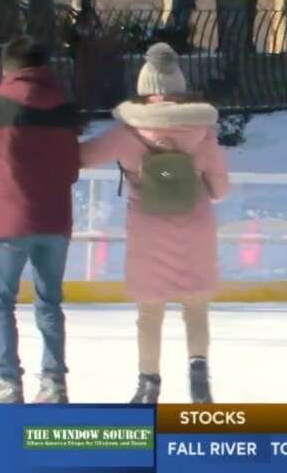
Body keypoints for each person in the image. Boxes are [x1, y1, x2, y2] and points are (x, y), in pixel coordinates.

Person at [79, 43, 229, 403]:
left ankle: (148, 386)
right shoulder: (202, 134)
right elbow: (221, 189)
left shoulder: (126, 134)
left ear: (143, 88)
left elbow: (80, 158)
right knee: (194, 307)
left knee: (149, 311)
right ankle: (199, 377)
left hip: (148, 231)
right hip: (195, 229)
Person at [0, 37, 80, 403]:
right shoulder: (63, 107)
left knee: (1, 302)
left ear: (10, 68)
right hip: (55, 221)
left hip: (10, 220)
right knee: (49, 303)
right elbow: (71, 167)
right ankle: (53, 383)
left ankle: (7, 382)